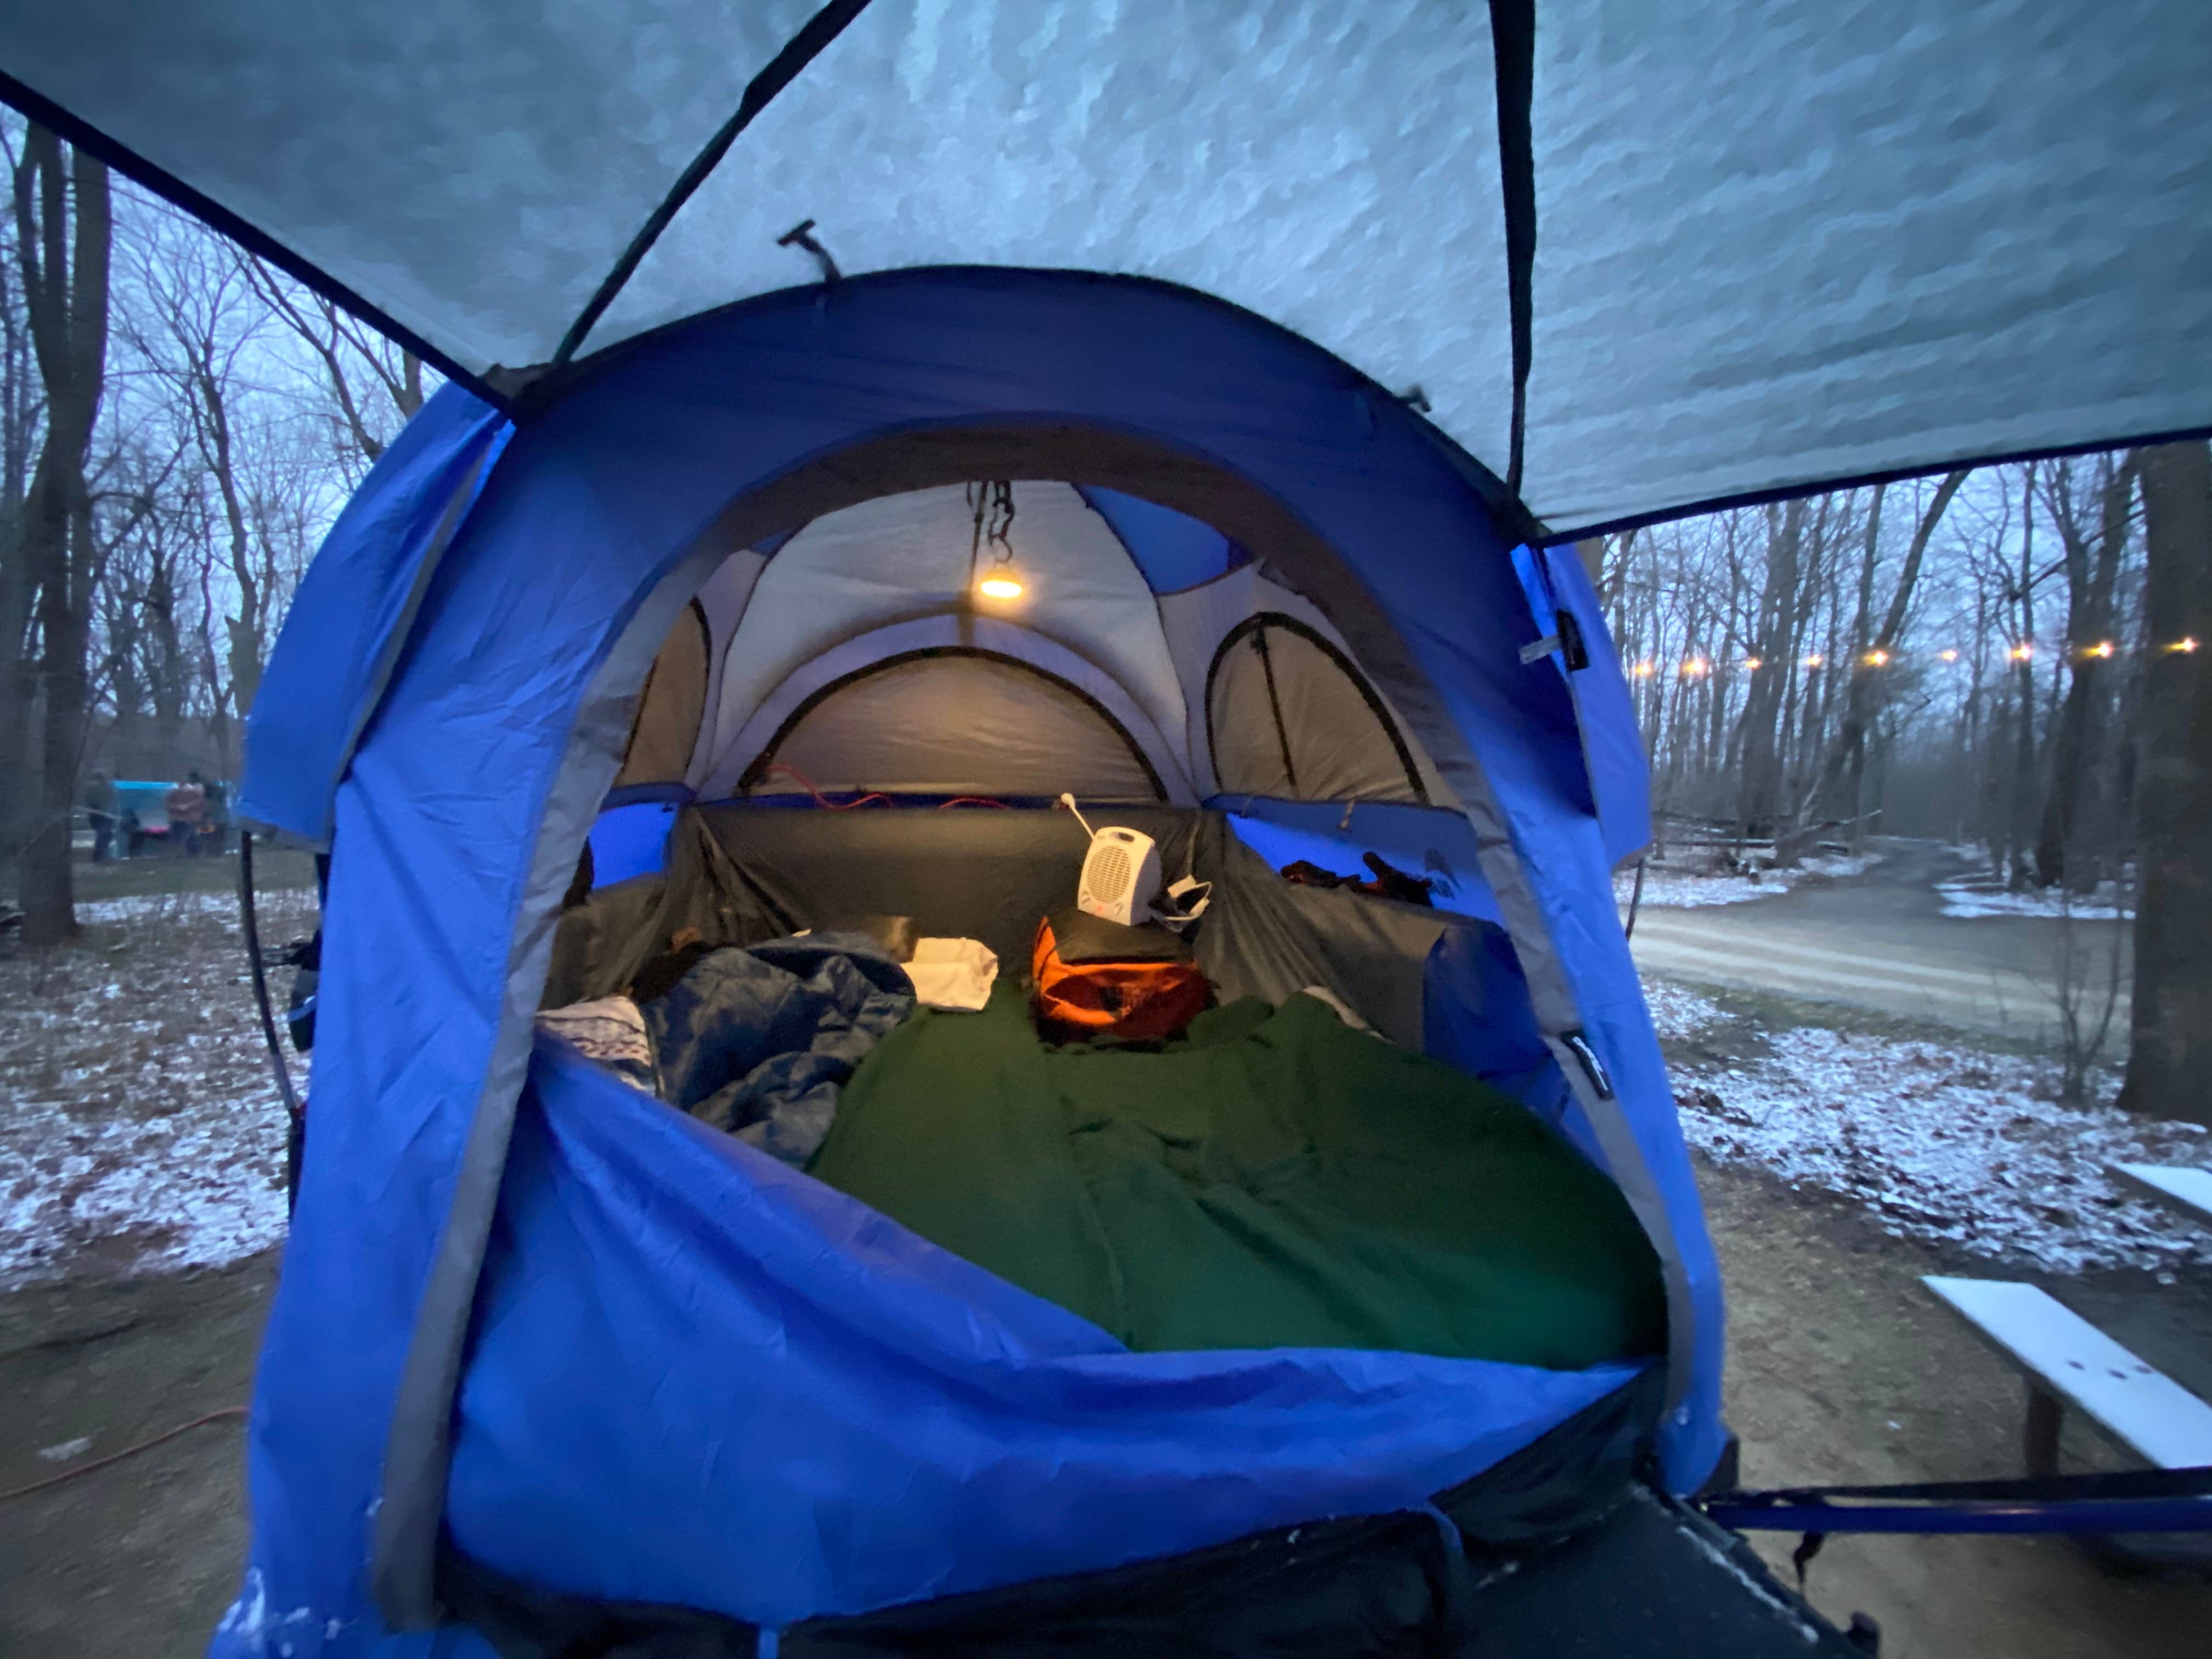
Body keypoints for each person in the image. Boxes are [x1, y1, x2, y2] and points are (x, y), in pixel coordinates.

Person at [166, 772, 207, 857]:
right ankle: (179, 854)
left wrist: (186, 806)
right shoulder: (174, 793)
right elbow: (169, 805)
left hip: (190, 819)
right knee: (179, 837)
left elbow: (201, 804)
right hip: (179, 819)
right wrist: (179, 807)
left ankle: (191, 854)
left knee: (191, 837)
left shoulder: (196, 793)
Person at [83, 770, 117, 864]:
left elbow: (89, 800)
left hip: (96, 814)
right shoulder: (105, 787)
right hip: (103, 815)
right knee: (104, 834)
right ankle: (99, 855)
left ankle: (101, 854)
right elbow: (110, 799)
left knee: (103, 834)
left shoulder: (91, 787)